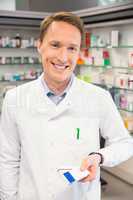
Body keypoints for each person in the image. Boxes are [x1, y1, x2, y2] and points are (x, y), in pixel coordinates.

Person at [0, 11, 133, 200]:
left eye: (72, 48)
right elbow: (7, 160)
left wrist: (99, 156)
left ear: (79, 52)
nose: (63, 57)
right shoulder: (15, 99)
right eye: (55, 45)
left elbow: (125, 143)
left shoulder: (98, 97)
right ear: (40, 46)